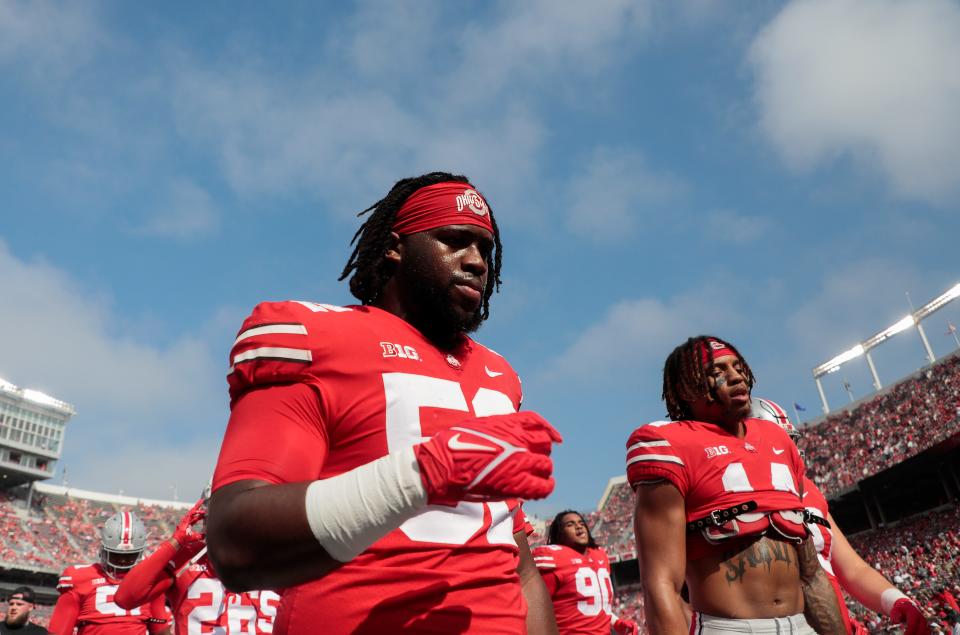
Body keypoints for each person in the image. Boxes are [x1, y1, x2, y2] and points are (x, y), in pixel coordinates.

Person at [206, 172, 562, 634]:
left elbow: (521, 568)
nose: (476, 261)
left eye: (485, 250)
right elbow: (236, 542)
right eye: (454, 241)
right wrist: (421, 474)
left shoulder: (500, 375)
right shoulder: (314, 336)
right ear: (394, 247)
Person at [627, 335, 845, 635]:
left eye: (738, 367)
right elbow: (661, 583)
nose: (736, 376)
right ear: (684, 388)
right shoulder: (668, 443)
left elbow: (810, 573)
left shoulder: (778, 439)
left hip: (802, 625)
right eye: (717, 371)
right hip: (731, 628)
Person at [751, 397, 931, 635]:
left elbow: (853, 570)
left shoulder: (809, 490)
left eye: (791, 441)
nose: (790, 451)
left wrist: (897, 601)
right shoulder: (728, 501)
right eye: (780, 442)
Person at [115, 499, 280, 634]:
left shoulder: (273, 562)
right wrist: (175, 542)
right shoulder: (189, 557)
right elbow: (125, 598)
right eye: (215, 518)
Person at [49, 511, 171, 635]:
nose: (123, 561)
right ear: (103, 550)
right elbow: (59, 631)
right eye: (116, 555)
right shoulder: (79, 578)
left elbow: (160, 630)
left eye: (130, 556)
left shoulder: (150, 580)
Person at [532, 510, 639, 635]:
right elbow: (535, 608)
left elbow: (595, 607)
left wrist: (616, 622)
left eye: (581, 523)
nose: (578, 526)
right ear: (559, 533)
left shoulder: (599, 555)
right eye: (570, 524)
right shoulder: (551, 557)